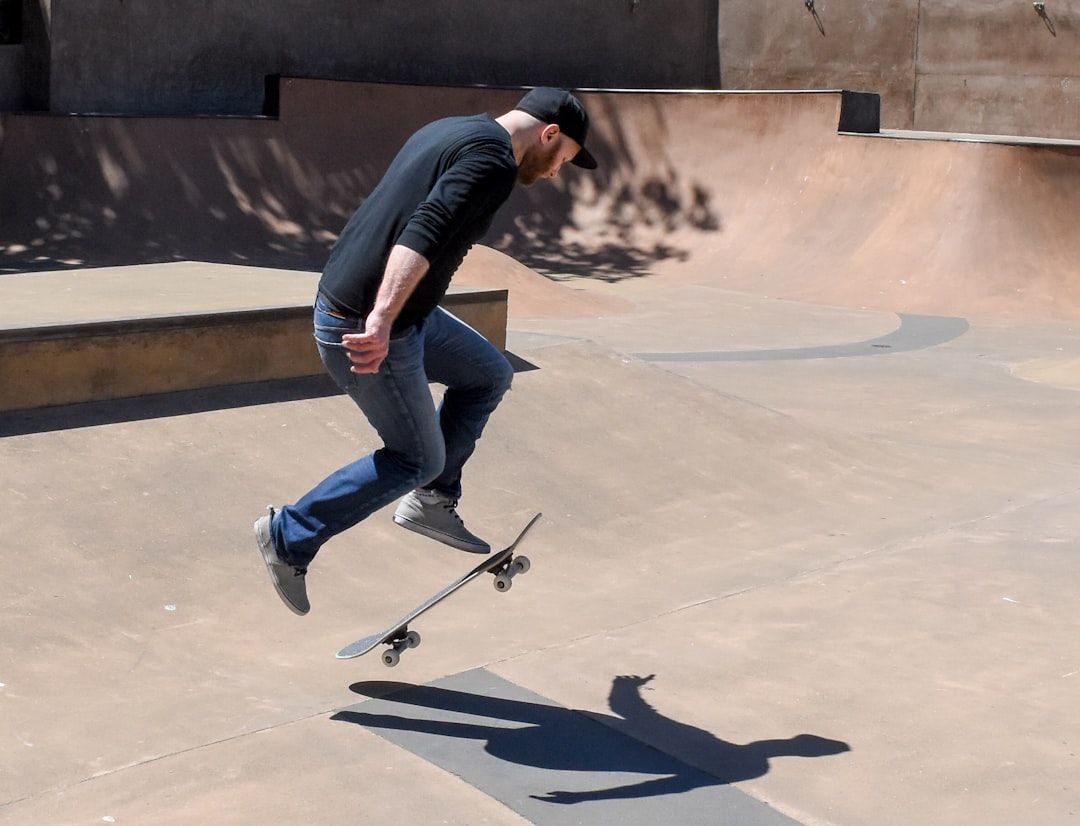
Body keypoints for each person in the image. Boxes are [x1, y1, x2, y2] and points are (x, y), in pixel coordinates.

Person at [254, 88, 597, 615]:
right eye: (564, 160)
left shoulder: (451, 129)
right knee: (415, 456)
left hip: (392, 312)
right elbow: (424, 231)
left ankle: (433, 501)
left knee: (487, 374)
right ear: (549, 134)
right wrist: (382, 319)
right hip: (370, 322)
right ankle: (290, 535)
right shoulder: (492, 160)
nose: (556, 173)